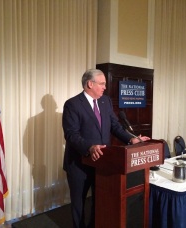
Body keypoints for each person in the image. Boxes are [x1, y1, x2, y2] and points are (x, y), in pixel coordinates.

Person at [62, 69, 150, 228]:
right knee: (79, 203)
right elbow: (71, 134)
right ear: (90, 84)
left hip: (103, 162)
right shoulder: (72, 104)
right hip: (79, 164)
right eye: (102, 84)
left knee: (100, 200)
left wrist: (131, 139)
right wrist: (89, 147)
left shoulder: (105, 101)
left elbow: (115, 126)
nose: (105, 87)